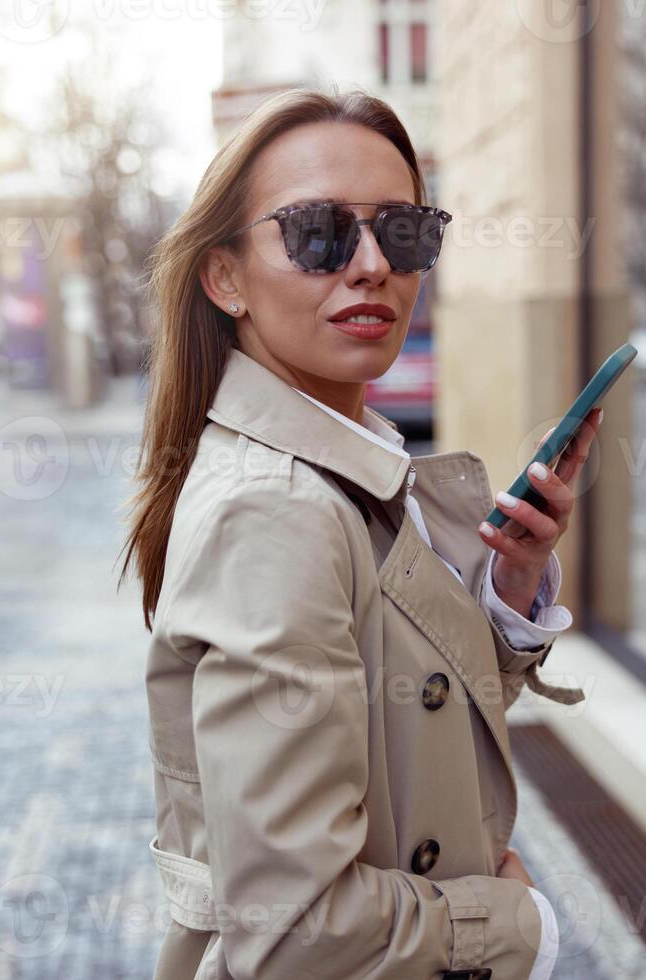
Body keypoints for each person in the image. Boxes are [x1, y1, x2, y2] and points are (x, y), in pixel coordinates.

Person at [120, 86, 602, 980]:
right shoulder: (277, 509)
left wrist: (511, 589)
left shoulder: (347, 465)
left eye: (405, 231)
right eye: (317, 232)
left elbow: (399, 719)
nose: (374, 263)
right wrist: (520, 928)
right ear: (224, 277)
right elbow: (294, 929)